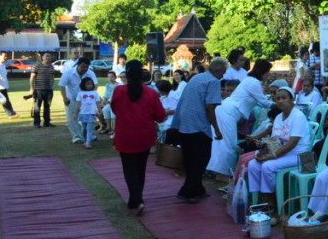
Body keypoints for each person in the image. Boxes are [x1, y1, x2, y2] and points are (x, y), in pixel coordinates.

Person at [110, 59, 166, 216]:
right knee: (141, 169)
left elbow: (115, 110)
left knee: (129, 170)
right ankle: (136, 198)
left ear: (126, 74)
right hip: (144, 136)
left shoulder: (119, 91)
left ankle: (136, 199)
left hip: (125, 136)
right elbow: (160, 116)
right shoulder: (151, 93)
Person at [171, 58, 227, 203]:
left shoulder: (197, 78)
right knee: (201, 159)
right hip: (198, 126)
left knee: (191, 159)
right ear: (217, 71)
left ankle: (197, 189)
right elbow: (210, 107)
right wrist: (217, 129)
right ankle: (187, 191)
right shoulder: (213, 81)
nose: (223, 76)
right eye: (223, 73)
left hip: (184, 124)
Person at [208, 59, 274, 178]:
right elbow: (264, 103)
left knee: (221, 144)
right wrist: (279, 105)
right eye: (268, 72)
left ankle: (221, 173)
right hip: (228, 113)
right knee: (229, 145)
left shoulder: (249, 80)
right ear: (263, 72)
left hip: (225, 111)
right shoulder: (254, 82)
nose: (268, 75)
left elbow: (257, 102)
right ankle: (228, 175)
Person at [247, 88, 311, 208]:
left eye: (284, 98)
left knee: (268, 166)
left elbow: (292, 143)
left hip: (298, 155)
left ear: (292, 99)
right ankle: (259, 196)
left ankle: (271, 200)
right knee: (253, 164)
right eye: (278, 98)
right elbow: (273, 140)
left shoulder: (298, 116)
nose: (281, 101)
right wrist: (263, 153)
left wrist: (273, 156)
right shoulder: (278, 117)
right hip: (282, 153)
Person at [59, 57, 94, 143]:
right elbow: (62, 85)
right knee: (72, 118)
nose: (85, 69)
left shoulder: (90, 73)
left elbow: (95, 84)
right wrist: (64, 97)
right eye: (83, 67)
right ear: (78, 65)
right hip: (71, 98)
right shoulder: (68, 73)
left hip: (85, 99)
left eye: (86, 67)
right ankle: (76, 136)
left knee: (86, 117)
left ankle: (89, 134)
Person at [28, 52, 55, 128]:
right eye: (46, 56)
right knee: (37, 107)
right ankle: (37, 123)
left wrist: (52, 86)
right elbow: (32, 77)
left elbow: (52, 77)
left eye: (49, 56)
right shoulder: (37, 66)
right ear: (42, 57)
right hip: (39, 90)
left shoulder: (51, 66)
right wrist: (31, 88)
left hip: (49, 90)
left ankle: (47, 122)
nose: (48, 58)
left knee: (47, 106)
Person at [76, 76, 102, 149]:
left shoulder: (95, 93)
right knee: (84, 128)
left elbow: (98, 103)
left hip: (92, 113)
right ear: (83, 85)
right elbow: (78, 104)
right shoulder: (80, 93)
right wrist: (75, 113)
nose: (90, 85)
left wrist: (100, 111)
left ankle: (88, 143)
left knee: (89, 128)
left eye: (91, 84)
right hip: (83, 113)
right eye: (88, 84)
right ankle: (85, 140)